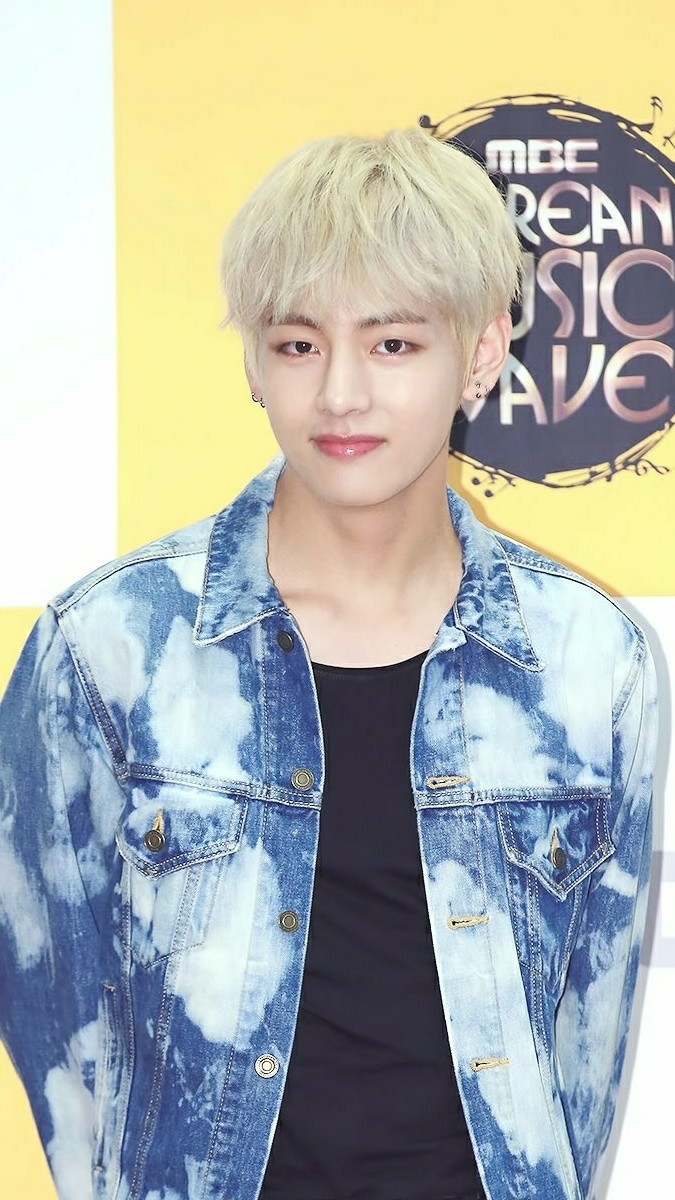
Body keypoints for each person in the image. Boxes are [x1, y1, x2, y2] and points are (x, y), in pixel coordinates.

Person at [0, 128, 657, 1200]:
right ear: (254, 363)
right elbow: (56, 1018)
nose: (341, 393)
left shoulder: (587, 660)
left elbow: (585, 1049)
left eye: (392, 344)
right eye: (299, 344)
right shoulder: (108, 646)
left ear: (481, 352)